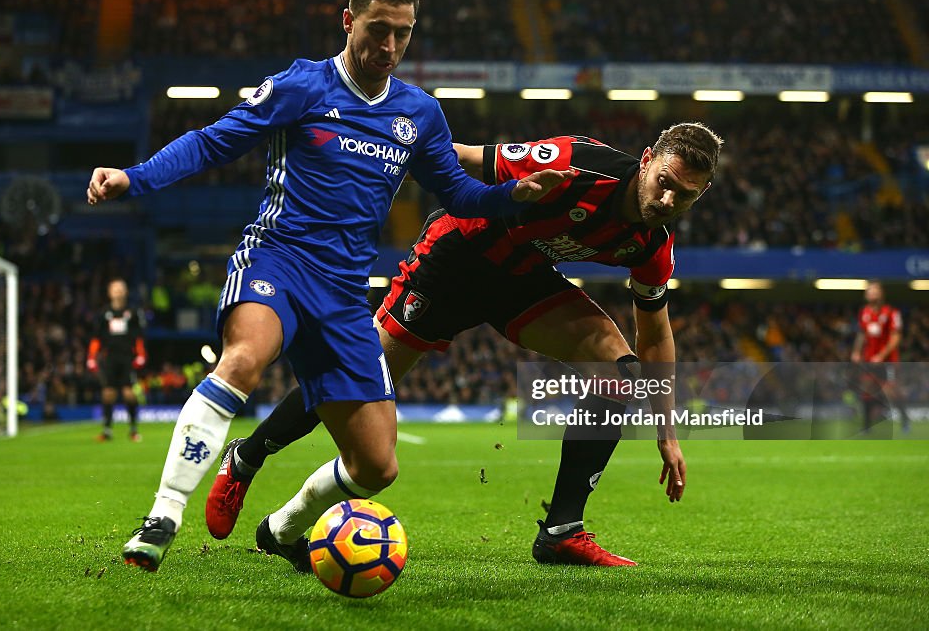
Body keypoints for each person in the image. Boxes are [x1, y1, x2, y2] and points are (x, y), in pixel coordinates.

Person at [86, 0, 570, 572]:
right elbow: (213, 141)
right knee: (245, 359)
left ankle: (285, 526)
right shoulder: (303, 86)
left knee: (377, 465)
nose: (389, 47)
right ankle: (163, 514)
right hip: (279, 259)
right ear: (348, 21)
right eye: (377, 30)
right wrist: (133, 178)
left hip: (344, 293)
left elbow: (462, 196)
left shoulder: (419, 113)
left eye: (403, 34)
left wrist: (514, 198)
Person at [207, 123, 723, 568]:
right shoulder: (580, 164)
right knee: (352, 378)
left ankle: (562, 532)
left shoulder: (653, 246)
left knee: (622, 374)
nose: (670, 201)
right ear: (648, 160)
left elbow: (654, 334)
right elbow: (465, 157)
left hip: (522, 278)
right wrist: (375, 159)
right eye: (666, 184)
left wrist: (667, 430)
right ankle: (246, 459)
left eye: (688, 195)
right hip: (456, 257)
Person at [87, 278, 147, 442]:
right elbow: (96, 338)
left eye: (121, 288)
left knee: (129, 393)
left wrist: (141, 355)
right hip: (109, 358)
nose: (118, 291)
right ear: (109, 292)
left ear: (126, 292)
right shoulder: (103, 314)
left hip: (128, 358)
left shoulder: (133, 313)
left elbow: (139, 337)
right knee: (108, 393)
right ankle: (107, 430)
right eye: (115, 289)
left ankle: (133, 429)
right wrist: (91, 357)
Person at [851, 280, 906, 433]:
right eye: (869, 291)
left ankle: (905, 419)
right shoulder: (864, 312)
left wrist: (881, 355)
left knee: (891, 392)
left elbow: (896, 337)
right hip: (870, 359)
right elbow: (861, 334)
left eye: (874, 290)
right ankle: (866, 425)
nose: (871, 293)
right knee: (867, 389)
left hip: (888, 360)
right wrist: (856, 352)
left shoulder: (892, 313)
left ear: (881, 293)